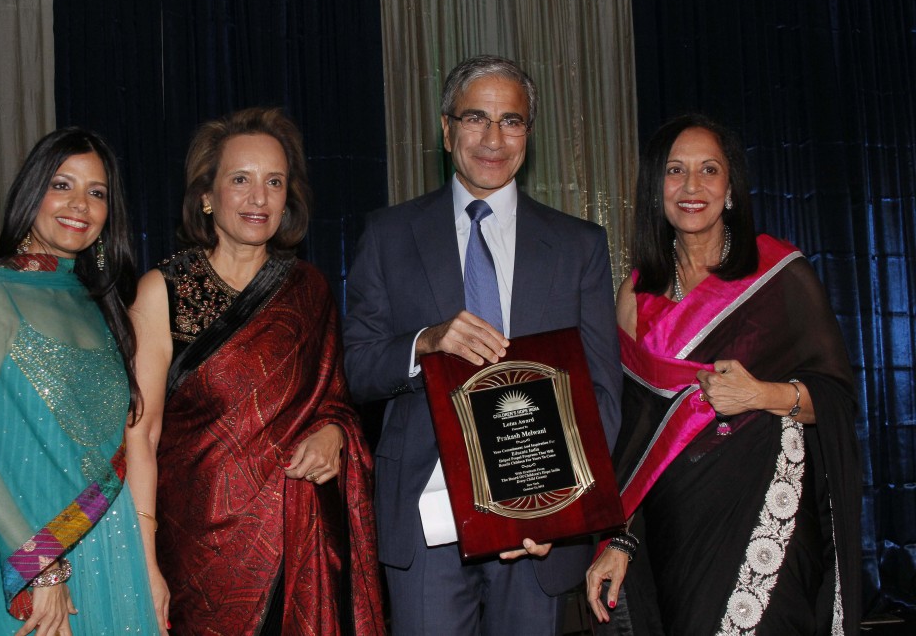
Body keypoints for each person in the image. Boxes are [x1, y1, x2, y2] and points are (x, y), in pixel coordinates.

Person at [342, 55, 623, 635]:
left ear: (528, 133)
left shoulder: (578, 247)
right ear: (446, 130)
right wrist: (426, 341)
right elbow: (358, 369)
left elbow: (602, 395)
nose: (493, 138)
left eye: (511, 121)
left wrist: (562, 508)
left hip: (539, 527)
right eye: (476, 118)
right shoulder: (389, 234)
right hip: (427, 518)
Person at [585, 114, 862, 635]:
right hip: (674, 525)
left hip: (762, 506)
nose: (692, 187)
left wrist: (760, 394)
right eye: (675, 171)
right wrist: (618, 538)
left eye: (709, 170)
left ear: (729, 188)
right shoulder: (634, 297)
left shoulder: (779, 274)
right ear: (655, 189)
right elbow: (629, 439)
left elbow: (835, 395)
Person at [125, 107, 384, 634]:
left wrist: (335, 434)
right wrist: (144, 558)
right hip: (190, 548)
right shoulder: (164, 291)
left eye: (274, 182)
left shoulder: (308, 292)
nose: (258, 198)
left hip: (294, 545)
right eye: (240, 180)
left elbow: (335, 402)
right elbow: (141, 433)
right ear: (207, 194)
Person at [0, 128, 160, 635]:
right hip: (16, 553)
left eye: (97, 192)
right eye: (62, 185)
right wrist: (40, 563)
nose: (80, 205)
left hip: (106, 551)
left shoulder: (98, 305)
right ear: (32, 193)